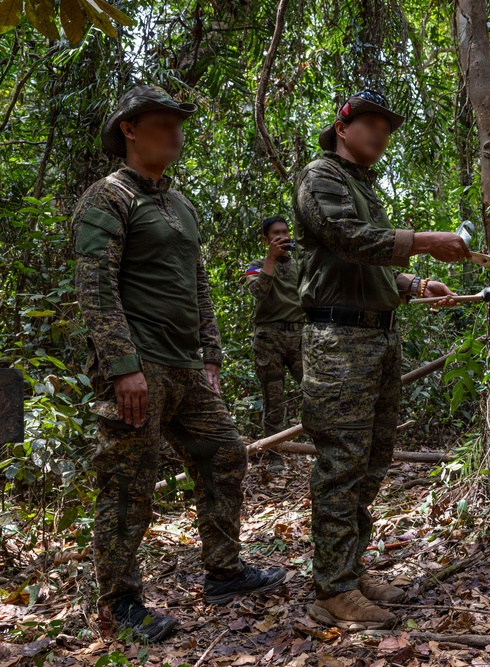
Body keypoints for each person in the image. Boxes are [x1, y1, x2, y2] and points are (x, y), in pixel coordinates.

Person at [73, 85, 286, 642]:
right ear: (129, 129)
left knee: (224, 455)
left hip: (186, 365)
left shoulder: (180, 203)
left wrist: (210, 354)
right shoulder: (108, 197)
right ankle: (119, 606)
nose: (175, 131)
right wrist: (123, 367)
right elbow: (95, 290)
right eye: (162, 122)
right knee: (127, 484)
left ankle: (224, 570)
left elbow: (198, 286)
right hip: (138, 366)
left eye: (177, 122)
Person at [294, 89, 469, 630]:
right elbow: (345, 239)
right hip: (337, 342)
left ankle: (349, 570)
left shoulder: (365, 189)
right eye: (368, 123)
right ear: (342, 128)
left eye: (385, 127)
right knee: (342, 461)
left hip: (377, 337)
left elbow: (365, 266)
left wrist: (414, 283)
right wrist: (424, 241)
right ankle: (332, 588)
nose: (378, 134)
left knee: (371, 460)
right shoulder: (320, 176)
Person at [245, 215, 307, 472]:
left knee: (316, 392)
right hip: (269, 338)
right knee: (274, 402)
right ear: (266, 239)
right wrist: (270, 259)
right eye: (276, 234)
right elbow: (259, 292)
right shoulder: (256, 265)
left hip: (299, 337)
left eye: (285, 232)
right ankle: (274, 457)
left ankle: (323, 446)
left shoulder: (301, 265)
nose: (282, 237)